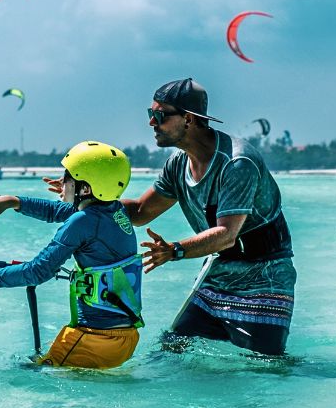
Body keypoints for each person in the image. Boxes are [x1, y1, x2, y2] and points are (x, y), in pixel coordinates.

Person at [121, 78, 296, 356]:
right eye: (150, 115)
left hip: (265, 279)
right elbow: (141, 213)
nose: (151, 123)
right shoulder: (177, 164)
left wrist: (175, 250)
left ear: (188, 118)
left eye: (159, 116)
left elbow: (226, 235)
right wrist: (89, 199)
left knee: (268, 368)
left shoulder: (237, 163)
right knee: (172, 350)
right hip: (217, 276)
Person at [0, 141, 143, 369]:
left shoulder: (83, 221)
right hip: (126, 339)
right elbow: (55, 210)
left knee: (29, 376)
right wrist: (12, 201)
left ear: (84, 189)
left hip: (94, 339)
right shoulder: (114, 211)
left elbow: (38, 271)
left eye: (67, 177)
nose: (62, 181)